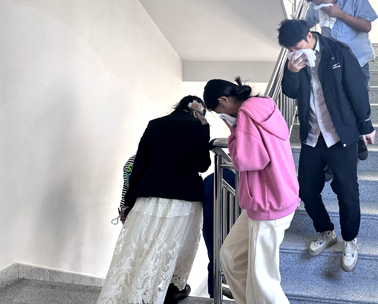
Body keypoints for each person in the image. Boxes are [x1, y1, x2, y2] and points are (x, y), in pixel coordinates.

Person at [278, 19, 376, 272]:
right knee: (306, 190)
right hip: (312, 136)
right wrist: (291, 71)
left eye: (296, 46)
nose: (293, 52)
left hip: (340, 135)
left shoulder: (337, 52)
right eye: (289, 49)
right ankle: (326, 231)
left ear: (309, 36)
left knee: (347, 190)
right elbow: (289, 92)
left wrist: (366, 124)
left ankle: (350, 240)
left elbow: (357, 88)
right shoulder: (294, 61)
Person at [97, 96, 211, 304]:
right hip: (184, 198)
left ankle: (128, 294)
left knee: (140, 246)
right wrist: (205, 128)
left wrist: (128, 201)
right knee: (171, 249)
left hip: (149, 195)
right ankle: (164, 293)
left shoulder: (155, 124)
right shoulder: (198, 126)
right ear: (199, 111)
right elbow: (203, 165)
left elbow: (139, 163)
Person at [203, 78, 300, 304]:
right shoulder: (264, 105)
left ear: (224, 99)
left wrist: (233, 128)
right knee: (230, 256)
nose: (221, 115)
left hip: (268, 202)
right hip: (271, 197)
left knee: (264, 280)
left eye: (219, 111)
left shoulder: (246, 114)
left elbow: (246, 160)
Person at [202, 170, 236, 300]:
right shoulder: (241, 180)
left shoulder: (210, 179)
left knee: (214, 261)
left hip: (211, 226)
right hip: (233, 226)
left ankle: (214, 296)